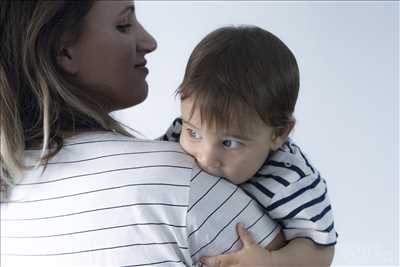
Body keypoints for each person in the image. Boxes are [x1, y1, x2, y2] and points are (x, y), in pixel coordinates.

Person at [0, 1, 287, 266]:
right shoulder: (179, 181)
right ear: (65, 51)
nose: (150, 42)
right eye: (123, 25)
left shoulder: (10, 193)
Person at [160, 26, 337, 266]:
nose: (206, 157)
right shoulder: (178, 132)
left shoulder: (291, 179)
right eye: (194, 133)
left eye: (229, 143)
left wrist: (271, 262)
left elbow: (321, 251)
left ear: (279, 133)